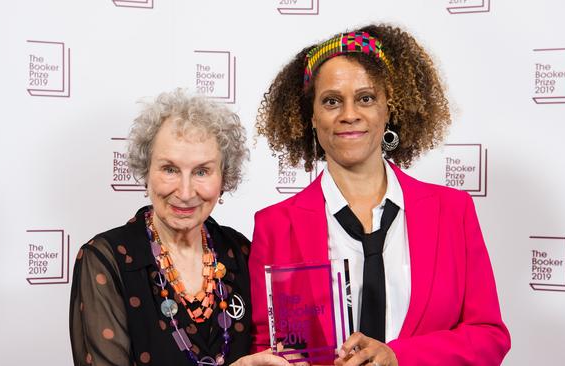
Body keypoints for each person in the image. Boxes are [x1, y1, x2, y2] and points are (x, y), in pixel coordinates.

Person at [250, 24, 511, 366]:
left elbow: (489, 336)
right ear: (311, 116)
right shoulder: (275, 225)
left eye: (366, 98)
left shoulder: (452, 211)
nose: (349, 114)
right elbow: (266, 348)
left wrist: (398, 357)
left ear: (389, 108)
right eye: (331, 101)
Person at [69, 90, 289, 366]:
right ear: (146, 171)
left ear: (225, 178)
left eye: (202, 171)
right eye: (170, 169)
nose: (185, 192)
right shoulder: (106, 260)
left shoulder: (241, 251)